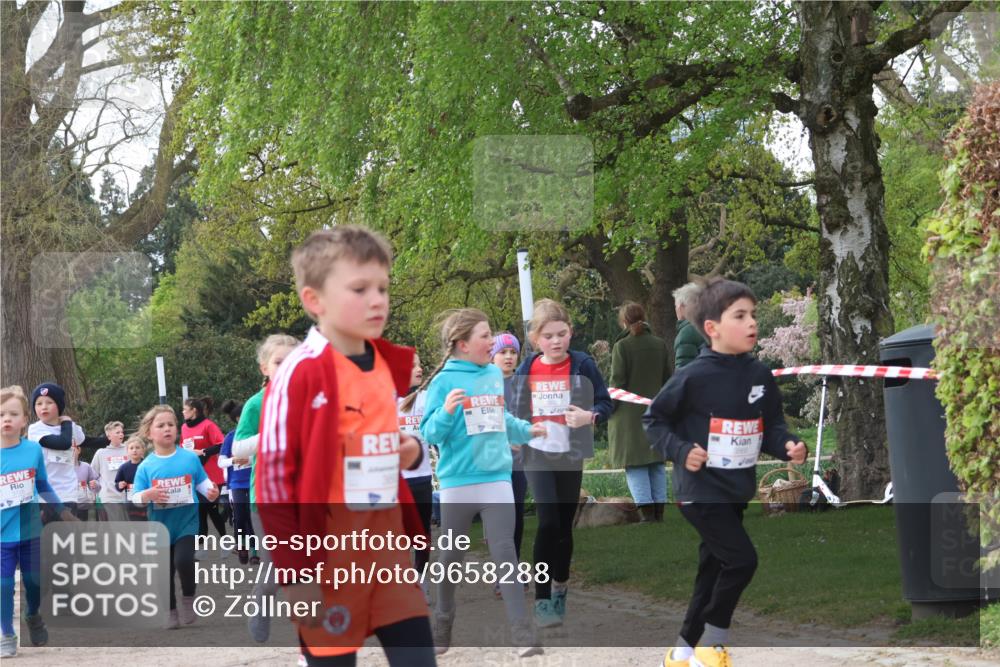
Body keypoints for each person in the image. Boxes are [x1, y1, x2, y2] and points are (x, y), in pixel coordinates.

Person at [257, 226, 435, 667]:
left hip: (389, 561)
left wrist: (410, 449)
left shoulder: (385, 362)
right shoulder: (299, 371)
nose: (377, 300)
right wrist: (295, 574)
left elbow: (381, 442)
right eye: (360, 289)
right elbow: (274, 482)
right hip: (327, 566)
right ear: (314, 300)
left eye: (383, 288)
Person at [643, 278, 808, 667]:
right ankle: (712, 644)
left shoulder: (760, 375)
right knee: (741, 561)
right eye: (740, 316)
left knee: (713, 568)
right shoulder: (692, 376)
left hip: (735, 490)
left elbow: (771, 427)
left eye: (753, 314)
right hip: (699, 491)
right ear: (712, 328)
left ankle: (681, 652)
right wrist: (681, 450)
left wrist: (789, 444)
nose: (752, 323)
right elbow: (654, 420)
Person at [419, 309, 544, 657]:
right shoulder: (443, 381)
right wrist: (446, 411)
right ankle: (443, 622)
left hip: (496, 477)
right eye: (486, 336)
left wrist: (527, 430)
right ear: (463, 344)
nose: (493, 341)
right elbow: (430, 433)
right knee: (450, 559)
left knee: (505, 551)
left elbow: (500, 417)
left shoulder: (492, 374)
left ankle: (522, 633)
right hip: (458, 482)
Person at [509, 299, 612, 628]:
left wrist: (589, 416)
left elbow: (605, 402)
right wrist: (517, 432)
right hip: (537, 452)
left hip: (570, 452)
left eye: (562, 334)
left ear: (571, 332)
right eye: (548, 336)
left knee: (564, 527)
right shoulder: (527, 368)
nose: (556, 341)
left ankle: (560, 584)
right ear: (535, 339)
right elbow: (513, 409)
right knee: (548, 522)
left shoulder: (582, 365)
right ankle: (542, 600)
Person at [231, 333, 298, 642]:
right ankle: (261, 598)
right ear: (265, 368)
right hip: (268, 498)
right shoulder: (256, 404)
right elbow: (239, 448)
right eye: (279, 362)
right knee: (276, 568)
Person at [1, 386, 74, 658]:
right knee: (3, 585)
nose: (6, 419)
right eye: (1, 414)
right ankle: (7, 634)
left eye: (13, 414)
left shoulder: (32, 450)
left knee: (35, 582)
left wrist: (63, 511)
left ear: (24, 420)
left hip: (30, 530)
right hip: (1, 536)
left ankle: (32, 614)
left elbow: (42, 484)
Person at [131, 404, 220, 629]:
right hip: (160, 527)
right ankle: (170, 611)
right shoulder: (146, 466)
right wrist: (147, 495)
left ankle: (188, 598)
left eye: (171, 424)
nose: (167, 429)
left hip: (186, 523)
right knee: (164, 571)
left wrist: (211, 491)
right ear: (149, 433)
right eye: (161, 425)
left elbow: (202, 482)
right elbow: (135, 498)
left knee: (184, 560)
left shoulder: (189, 458)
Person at [608, 302, 671, 522]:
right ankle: (659, 514)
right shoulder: (660, 344)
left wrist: (607, 410)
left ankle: (647, 515)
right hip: (656, 413)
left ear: (623, 321)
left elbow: (617, 384)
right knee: (656, 463)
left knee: (635, 465)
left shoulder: (622, 347)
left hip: (629, 417)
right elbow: (668, 380)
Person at [490, 332, 529, 595]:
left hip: (518, 463)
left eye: (513, 352)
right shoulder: (484, 384)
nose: (508, 357)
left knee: (516, 517)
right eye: (502, 352)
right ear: (492, 356)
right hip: (493, 464)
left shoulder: (524, 385)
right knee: (499, 519)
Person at [396, 352, 433, 599]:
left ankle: (420, 580)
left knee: (422, 534)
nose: (419, 369)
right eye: (412, 366)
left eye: (420, 364)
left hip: (422, 477)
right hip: (396, 482)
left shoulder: (427, 398)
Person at [181, 396, 228, 553]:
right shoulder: (184, 428)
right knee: (199, 511)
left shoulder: (208, 425)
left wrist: (203, 452)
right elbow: (183, 448)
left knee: (212, 510)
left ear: (194, 410)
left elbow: (222, 444)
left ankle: (225, 541)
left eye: (185, 409)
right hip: (194, 475)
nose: (182, 412)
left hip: (212, 475)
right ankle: (201, 546)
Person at [218, 399, 249, 563]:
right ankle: (240, 545)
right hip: (236, 483)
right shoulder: (231, 437)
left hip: (254, 481)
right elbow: (220, 462)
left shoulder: (257, 435)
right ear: (238, 419)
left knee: (253, 516)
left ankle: (254, 550)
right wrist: (234, 460)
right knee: (240, 514)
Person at [92, 422, 129, 521]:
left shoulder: (129, 450)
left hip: (128, 496)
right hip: (109, 497)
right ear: (109, 436)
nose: (121, 434)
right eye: (117, 432)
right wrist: (95, 488)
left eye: (122, 432)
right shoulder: (101, 453)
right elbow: (92, 475)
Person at [673, 282, 705, 370]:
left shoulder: (687, 333)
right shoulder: (713, 326)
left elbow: (682, 372)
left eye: (676, 306)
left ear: (681, 307)